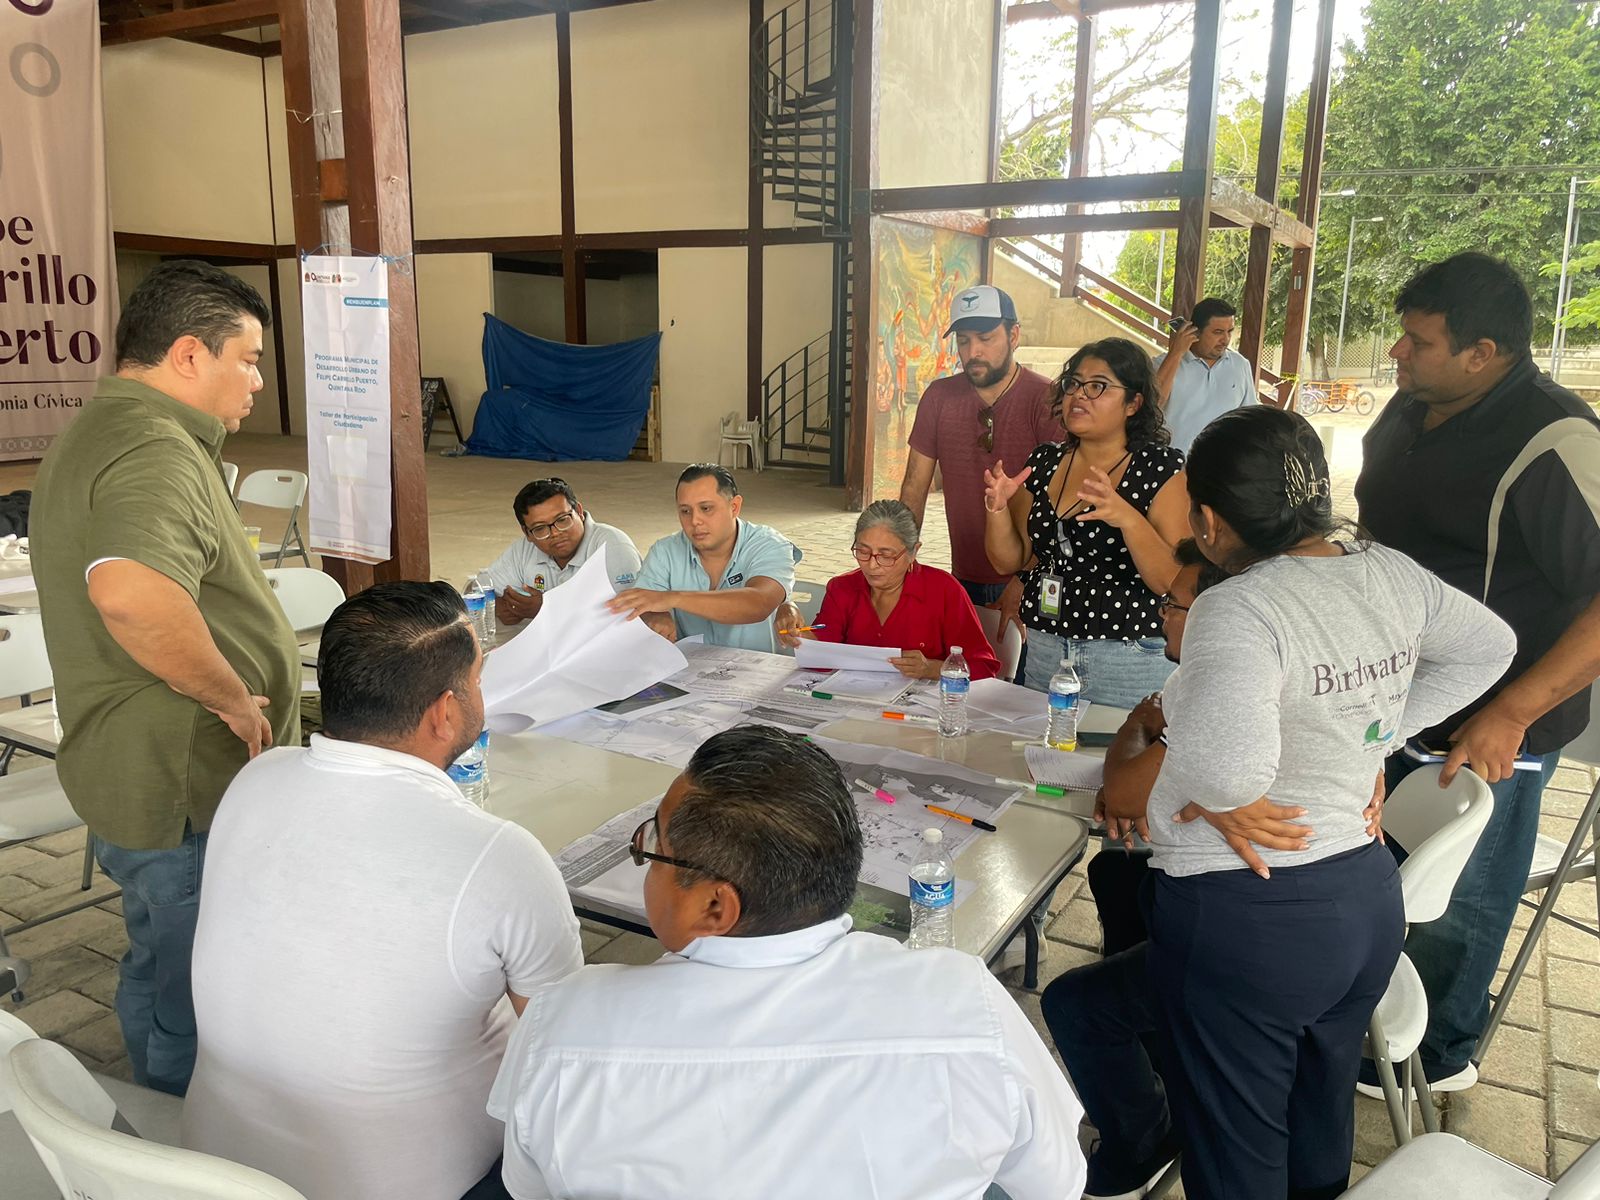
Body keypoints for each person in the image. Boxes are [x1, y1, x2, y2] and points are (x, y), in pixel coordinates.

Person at [1103, 405, 1514, 1200]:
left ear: (1211, 522)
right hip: (1362, 901)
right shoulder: (1386, 570)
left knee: (1237, 1141)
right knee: (1317, 1108)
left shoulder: (1240, 604)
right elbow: (1489, 646)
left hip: (1251, 914)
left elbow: (1228, 775)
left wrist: (1225, 769)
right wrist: (1370, 736)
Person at [487, 725, 1087, 1200]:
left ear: (715, 905)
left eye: (655, 848)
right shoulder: (964, 1000)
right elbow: (1056, 1183)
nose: (646, 857)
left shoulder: (561, 1026)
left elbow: (529, 1185)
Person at [183, 582, 583, 1200]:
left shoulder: (258, 775)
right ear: (445, 711)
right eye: (478, 677)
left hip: (213, 1171)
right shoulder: (498, 854)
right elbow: (565, 1054)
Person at [28, 260, 301, 1096]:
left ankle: (150, 1099)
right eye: (248, 358)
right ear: (189, 355)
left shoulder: (109, 428)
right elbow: (132, 595)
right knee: (192, 984)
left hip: (138, 769)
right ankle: (183, 1137)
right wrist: (229, 696)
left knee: (157, 956)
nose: (257, 380)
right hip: (181, 778)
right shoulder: (155, 448)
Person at [1354, 251, 1600, 1093]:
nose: (1396, 353)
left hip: (1492, 721)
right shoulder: (1412, 408)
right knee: (1384, 867)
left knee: (1459, 897)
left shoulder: (1555, 439)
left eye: (1417, 341)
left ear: (1482, 353)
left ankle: (1440, 1056)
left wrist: (1515, 711)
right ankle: (1374, 1018)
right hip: (1394, 697)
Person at [982, 337, 1190, 708]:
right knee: (1041, 763)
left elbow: (1173, 580)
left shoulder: (1159, 469)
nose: (1079, 395)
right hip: (1046, 649)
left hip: (1128, 656)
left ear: (1133, 403)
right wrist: (997, 509)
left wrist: (1126, 516)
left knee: (1119, 762)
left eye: (1098, 387)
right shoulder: (1044, 461)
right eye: (1073, 384)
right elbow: (1009, 561)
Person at [898, 285, 1061, 661]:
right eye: (964, 340)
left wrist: (1026, 579)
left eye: (986, 338)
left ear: (1014, 335)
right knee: (962, 682)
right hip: (963, 576)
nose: (973, 352)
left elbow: (1060, 506)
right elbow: (913, 487)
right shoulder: (939, 397)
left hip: (1030, 577)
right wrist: (900, 557)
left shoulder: (1046, 399)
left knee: (1019, 690)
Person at [775, 499, 1001, 681]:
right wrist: (794, 622)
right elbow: (822, 652)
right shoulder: (843, 588)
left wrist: (932, 669)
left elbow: (984, 666)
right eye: (863, 552)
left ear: (913, 552)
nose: (872, 565)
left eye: (886, 556)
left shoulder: (944, 591)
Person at [608, 463, 801, 652]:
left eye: (706, 508)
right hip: (687, 673)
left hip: (757, 675)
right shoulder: (664, 551)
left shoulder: (769, 544)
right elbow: (644, 604)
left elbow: (759, 603)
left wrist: (674, 598)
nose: (694, 521)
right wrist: (654, 617)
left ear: (734, 507)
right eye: (685, 511)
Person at [484, 477, 642, 627]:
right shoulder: (524, 549)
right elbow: (476, 590)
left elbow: (627, 614)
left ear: (579, 511)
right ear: (527, 533)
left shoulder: (613, 546)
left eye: (562, 519)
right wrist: (500, 606)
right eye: (540, 528)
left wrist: (547, 609)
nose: (555, 533)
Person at [1152, 297, 1259, 453]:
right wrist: (1176, 353)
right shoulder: (1162, 364)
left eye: (1229, 331)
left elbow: (1250, 418)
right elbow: (1153, 405)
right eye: (1218, 332)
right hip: (1171, 464)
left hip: (1222, 465)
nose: (1226, 340)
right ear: (1195, 331)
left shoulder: (1240, 365)